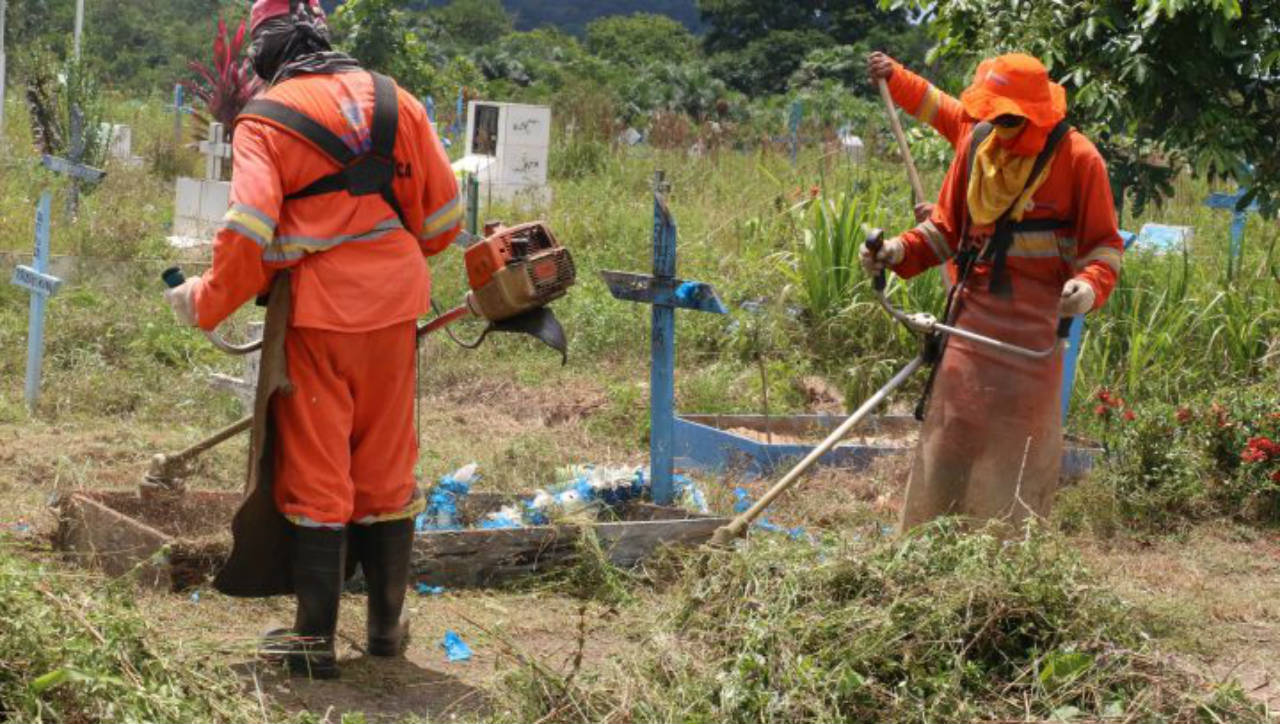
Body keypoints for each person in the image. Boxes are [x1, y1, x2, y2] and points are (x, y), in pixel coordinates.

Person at [164, 0, 461, 678]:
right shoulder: (398, 101)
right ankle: (386, 632)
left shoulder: (264, 121)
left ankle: (312, 638)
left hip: (318, 317)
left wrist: (204, 301)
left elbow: (245, 234)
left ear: (264, 52)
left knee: (318, 465)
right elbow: (443, 222)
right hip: (394, 314)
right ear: (322, 35)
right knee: (387, 464)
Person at [859, 53, 1124, 531]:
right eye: (991, 114)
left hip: (1035, 333)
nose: (997, 125)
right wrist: (899, 250)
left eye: (1008, 117)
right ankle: (925, 543)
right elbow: (945, 230)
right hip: (970, 321)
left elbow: (1103, 246)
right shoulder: (977, 143)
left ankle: (1003, 561)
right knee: (948, 442)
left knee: (1013, 458)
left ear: (1037, 114)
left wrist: (1087, 287)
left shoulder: (1078, 159)